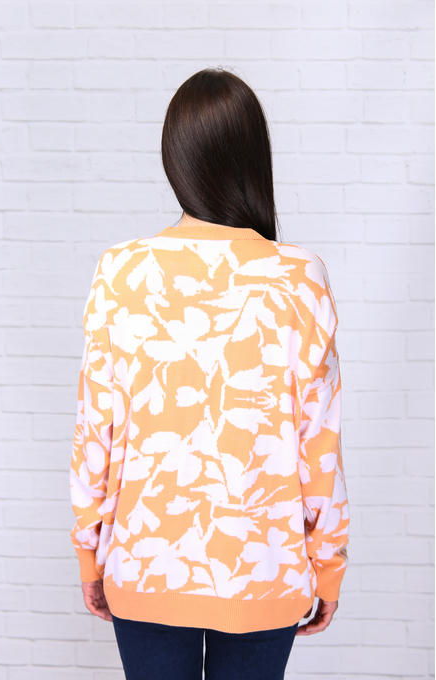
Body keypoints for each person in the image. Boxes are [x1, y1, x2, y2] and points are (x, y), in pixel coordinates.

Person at [69, 67, 350, 680]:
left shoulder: (120, 271)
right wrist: (328, 563)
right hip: (265, 569)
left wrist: (90, 550)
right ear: (254, 159)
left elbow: (96, 431)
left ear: (174, 159)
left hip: (145, 564)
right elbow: (319, 445)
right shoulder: (300, 277)